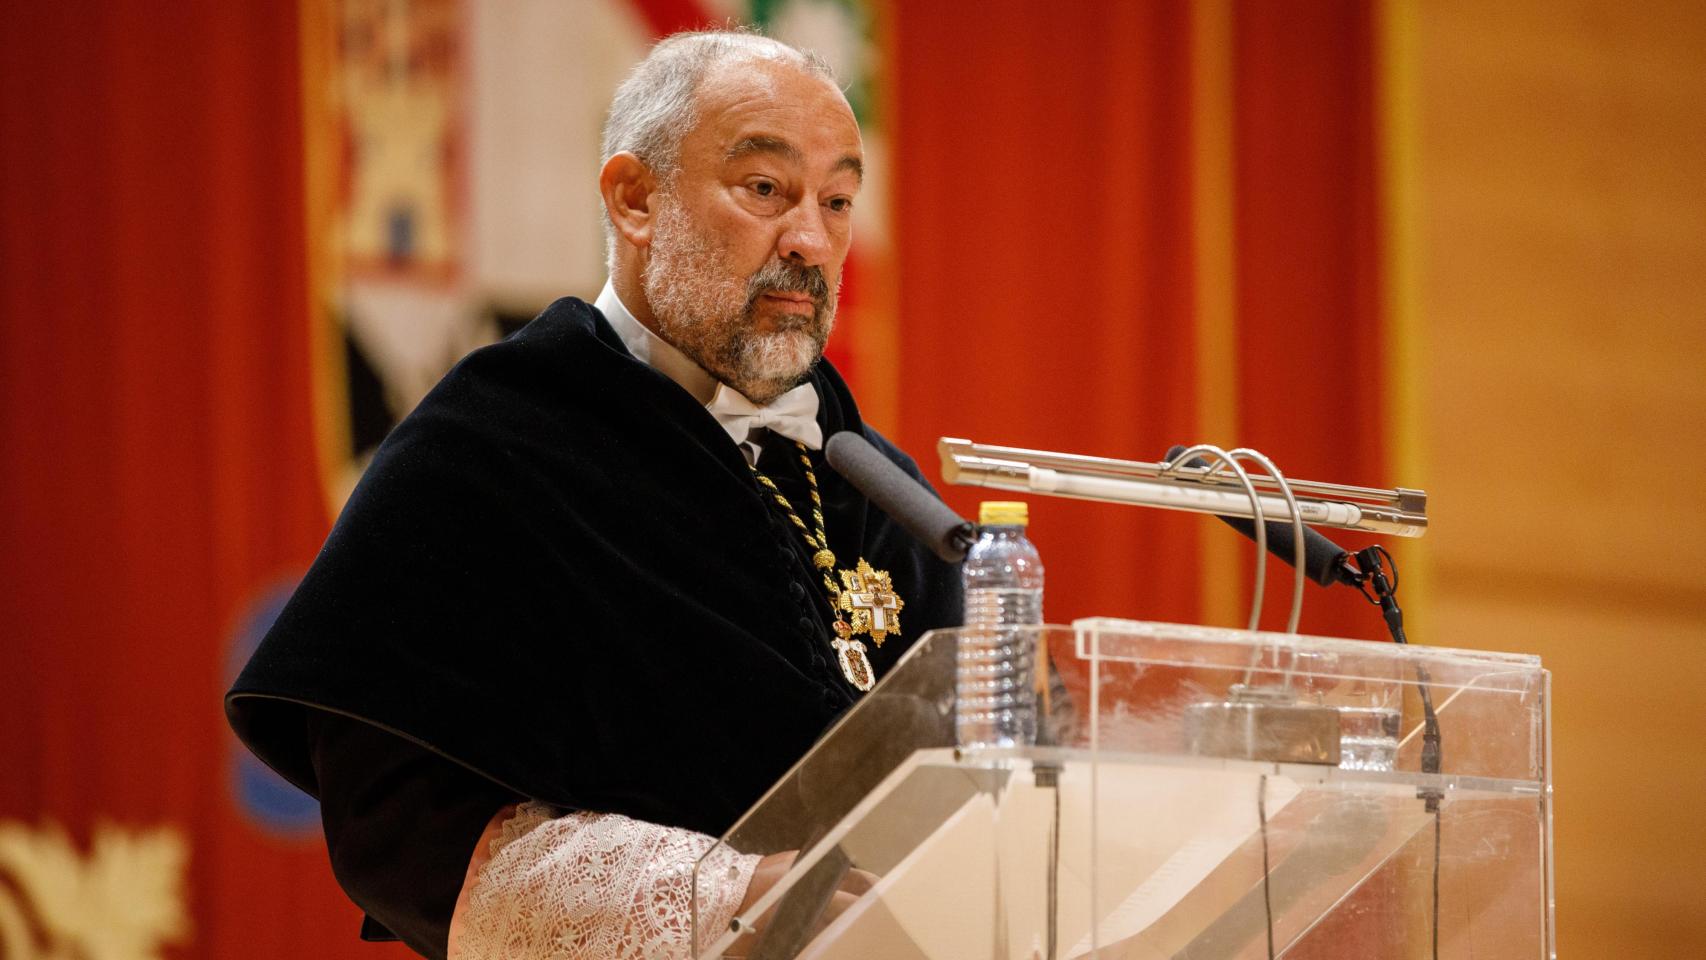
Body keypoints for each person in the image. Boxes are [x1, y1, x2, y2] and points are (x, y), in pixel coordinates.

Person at [225, 28, 962, 960]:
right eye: (765, 190)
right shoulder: (487, 449)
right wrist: (724, 902)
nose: (811, 241)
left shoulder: (881, 491)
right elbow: (401, 829)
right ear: (635, 199)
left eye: (839, 200)